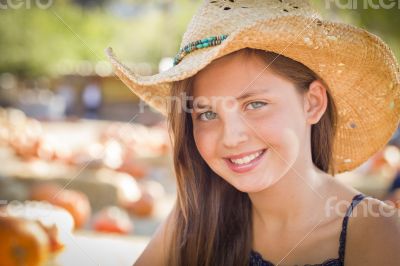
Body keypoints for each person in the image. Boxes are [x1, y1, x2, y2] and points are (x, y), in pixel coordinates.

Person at [105, 1, 400, 265]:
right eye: (207, 114)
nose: (231, 137)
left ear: (313, 103)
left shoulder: (374, 232)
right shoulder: (193, 221)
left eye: (255, 104)